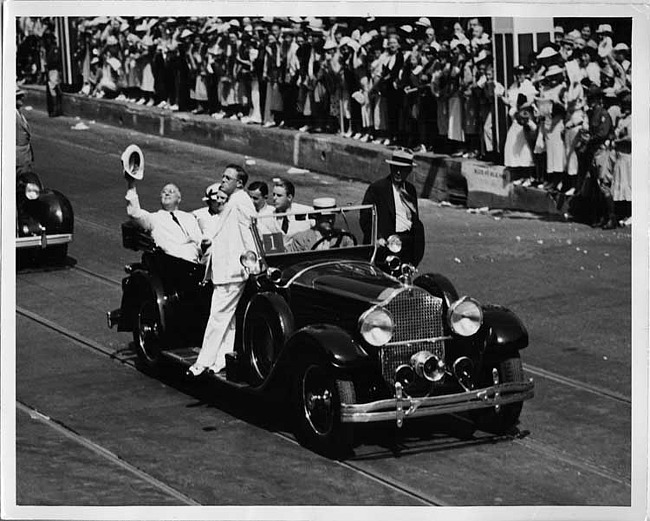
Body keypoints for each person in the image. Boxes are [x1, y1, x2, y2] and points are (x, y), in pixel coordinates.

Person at [188, 164, 257, 377]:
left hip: (233, 270)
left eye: (228, 178)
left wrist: (252, 264)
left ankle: (202, 363)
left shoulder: (240, 202)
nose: (223, 180)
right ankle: (220, 361)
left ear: (239, 183)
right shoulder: (233, 202)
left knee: (217, 316)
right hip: (226, 270)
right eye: (222, 177)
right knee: (227, 320)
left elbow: (250, 232)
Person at [124, 163, 203, 264]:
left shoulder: (189, 218)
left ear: (179, 199)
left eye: (171, 191)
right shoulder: (154, 218)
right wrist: (131, 185)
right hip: (170, 262)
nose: (167, 193)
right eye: (164, 192)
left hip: (194, 262)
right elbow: (134, 213)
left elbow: (200, 241)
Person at [360, 147, 425, 266]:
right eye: (396, 168)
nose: (398, 172)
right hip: (388, 244)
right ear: (391, 167)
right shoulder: (378, 189)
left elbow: (414, 218)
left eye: (403, 169)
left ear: (409, 170)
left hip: (407, 243)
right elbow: (365, 218)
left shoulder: (410, 190)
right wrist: (376, 238)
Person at [287, 197, 355, 251]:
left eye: (332, 216)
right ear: (317, 217)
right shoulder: (302, 239)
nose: (330, 220)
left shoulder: (344, 237)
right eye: (326, 217)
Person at [16, 87, 34, 175]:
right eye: (19, 97)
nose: (22, 98)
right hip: (18, 156)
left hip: (25, 155)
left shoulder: (19, 113)